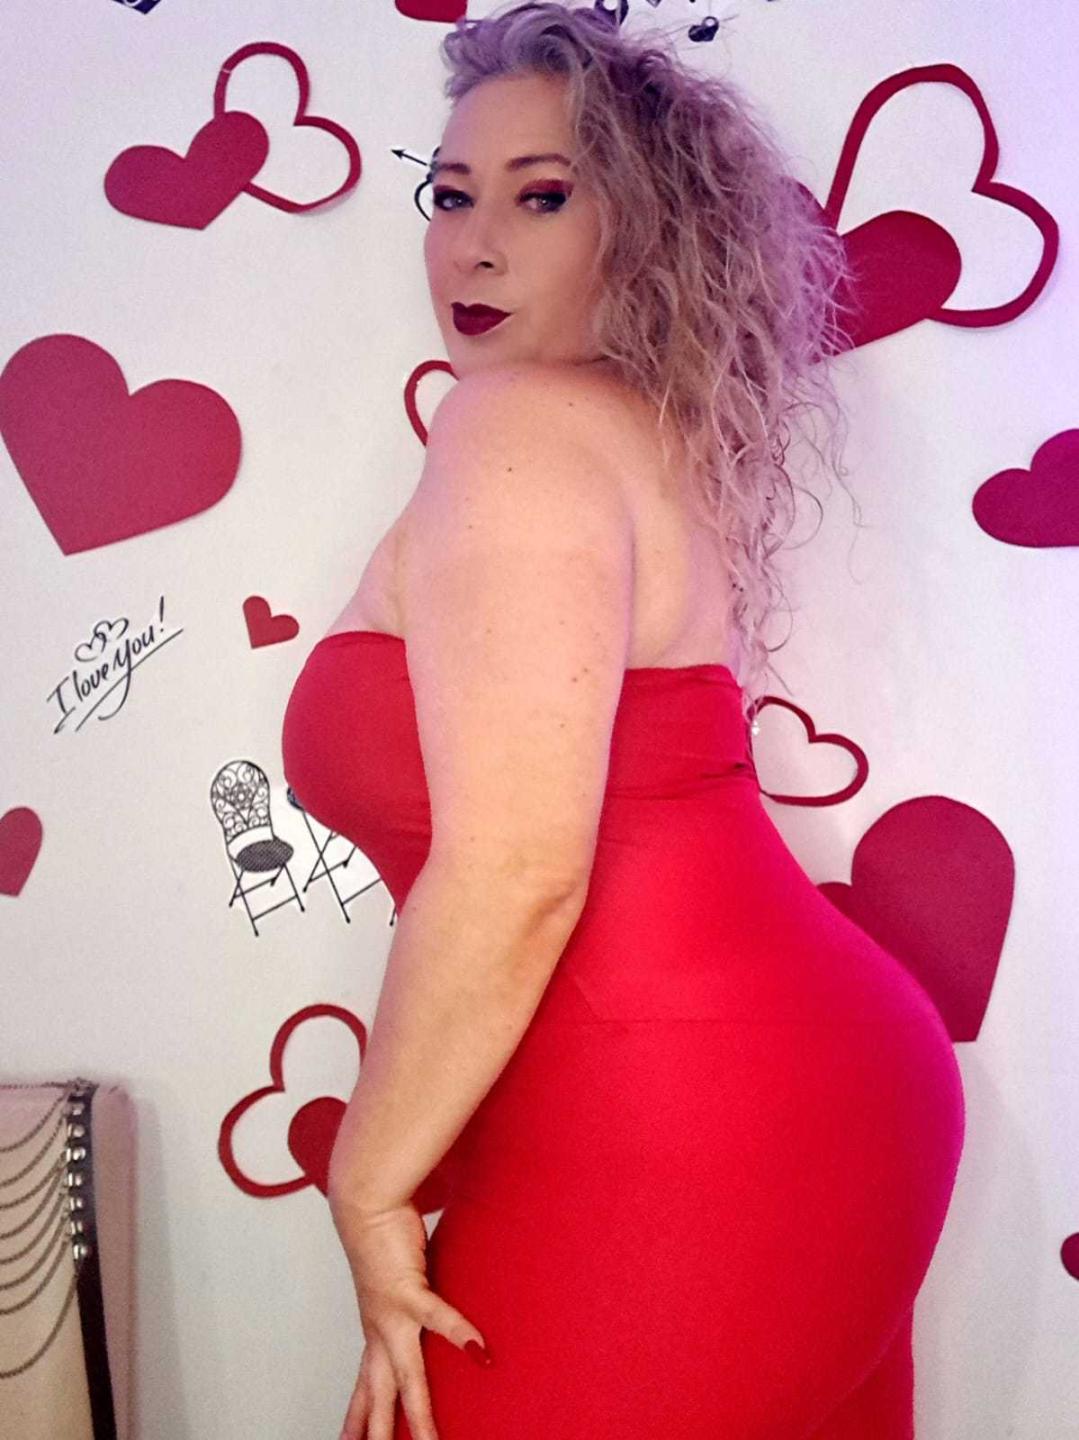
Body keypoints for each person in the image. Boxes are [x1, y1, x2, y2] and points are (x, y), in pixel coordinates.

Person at [280, 5, 966, 1437]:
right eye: (452, 195)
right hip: (778, 1091)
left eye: (541, 198)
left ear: (642, 233)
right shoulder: (632, 431)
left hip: (692, 1113)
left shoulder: (517, 430)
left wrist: (368, 1180)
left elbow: (518, 871)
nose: (472, 248)